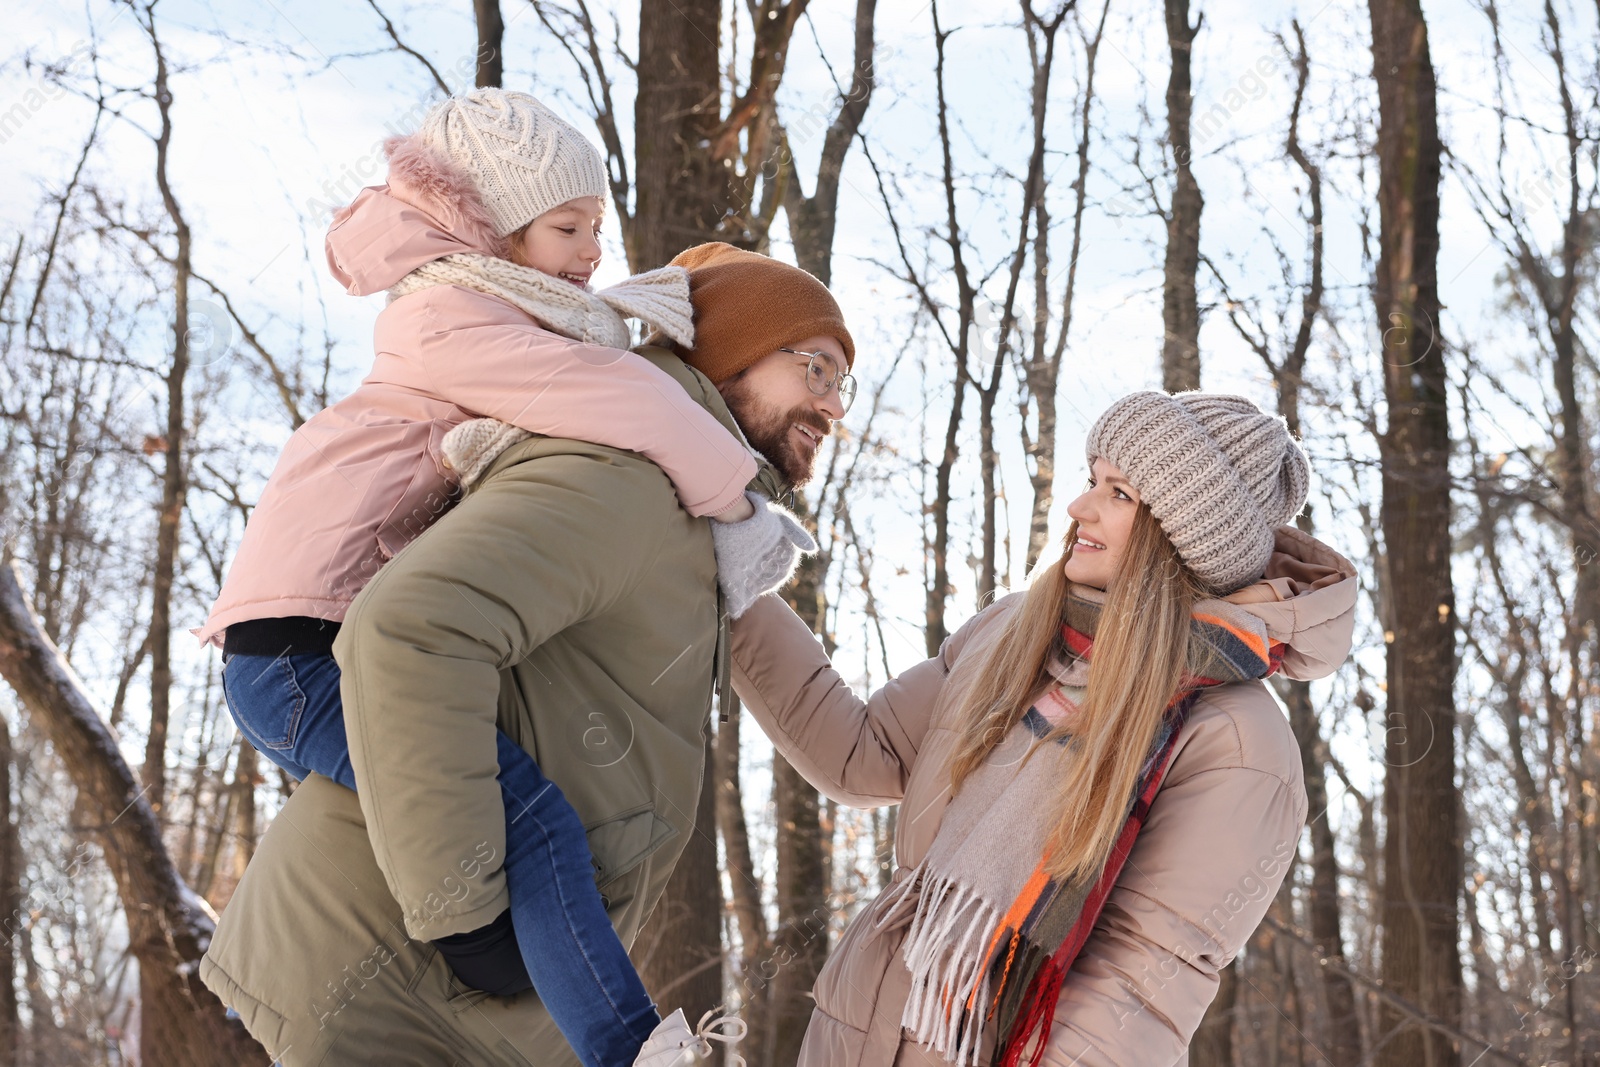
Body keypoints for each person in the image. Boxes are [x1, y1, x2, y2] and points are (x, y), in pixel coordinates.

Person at [195, 88, 795, 1065]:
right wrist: (732, 500)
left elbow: (567, 353)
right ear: (493, 227)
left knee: (423, 794)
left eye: (598, 229)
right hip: (298, 649)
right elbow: (603, 391)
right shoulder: (448, 319)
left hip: (295, 643)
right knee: (531, 822)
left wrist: (613, 316)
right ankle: (628, 1046)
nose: (591, 252)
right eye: (568, 228)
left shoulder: (479, 318)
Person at [726, 391, 1358, 1065]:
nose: (1079, 507)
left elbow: (1134, 990)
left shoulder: (1235, 738)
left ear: (1183, 535)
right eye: (1092, 480)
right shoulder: (1017, 630)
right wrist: (730, 579)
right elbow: (862, 753)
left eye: (1119, 493)